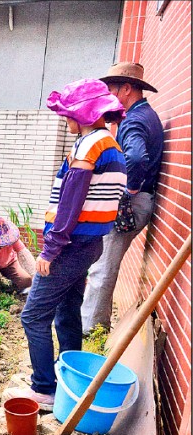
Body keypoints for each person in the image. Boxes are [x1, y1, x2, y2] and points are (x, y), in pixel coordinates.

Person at [4, 79, 126, 409]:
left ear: (84, 114)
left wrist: (51, 249)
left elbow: (72, 202)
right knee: (68, 312)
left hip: (70, 246)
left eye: (68, 114)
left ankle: (44, 389)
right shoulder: (109, 145)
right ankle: (70, 376)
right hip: (89, 244)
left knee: (33, 317)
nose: (65, 120)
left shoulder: (89, 146)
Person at [81, 63, 164, 334]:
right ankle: (95, 324)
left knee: (102, 268)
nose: (108, 96)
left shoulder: (135, 120)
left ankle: (91, 330)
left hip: (133, 203)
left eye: (111, 90)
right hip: (140, 200)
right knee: (102, 265)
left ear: (127, 89)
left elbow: (137, 158)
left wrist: (127, 191)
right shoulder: (142, 115)